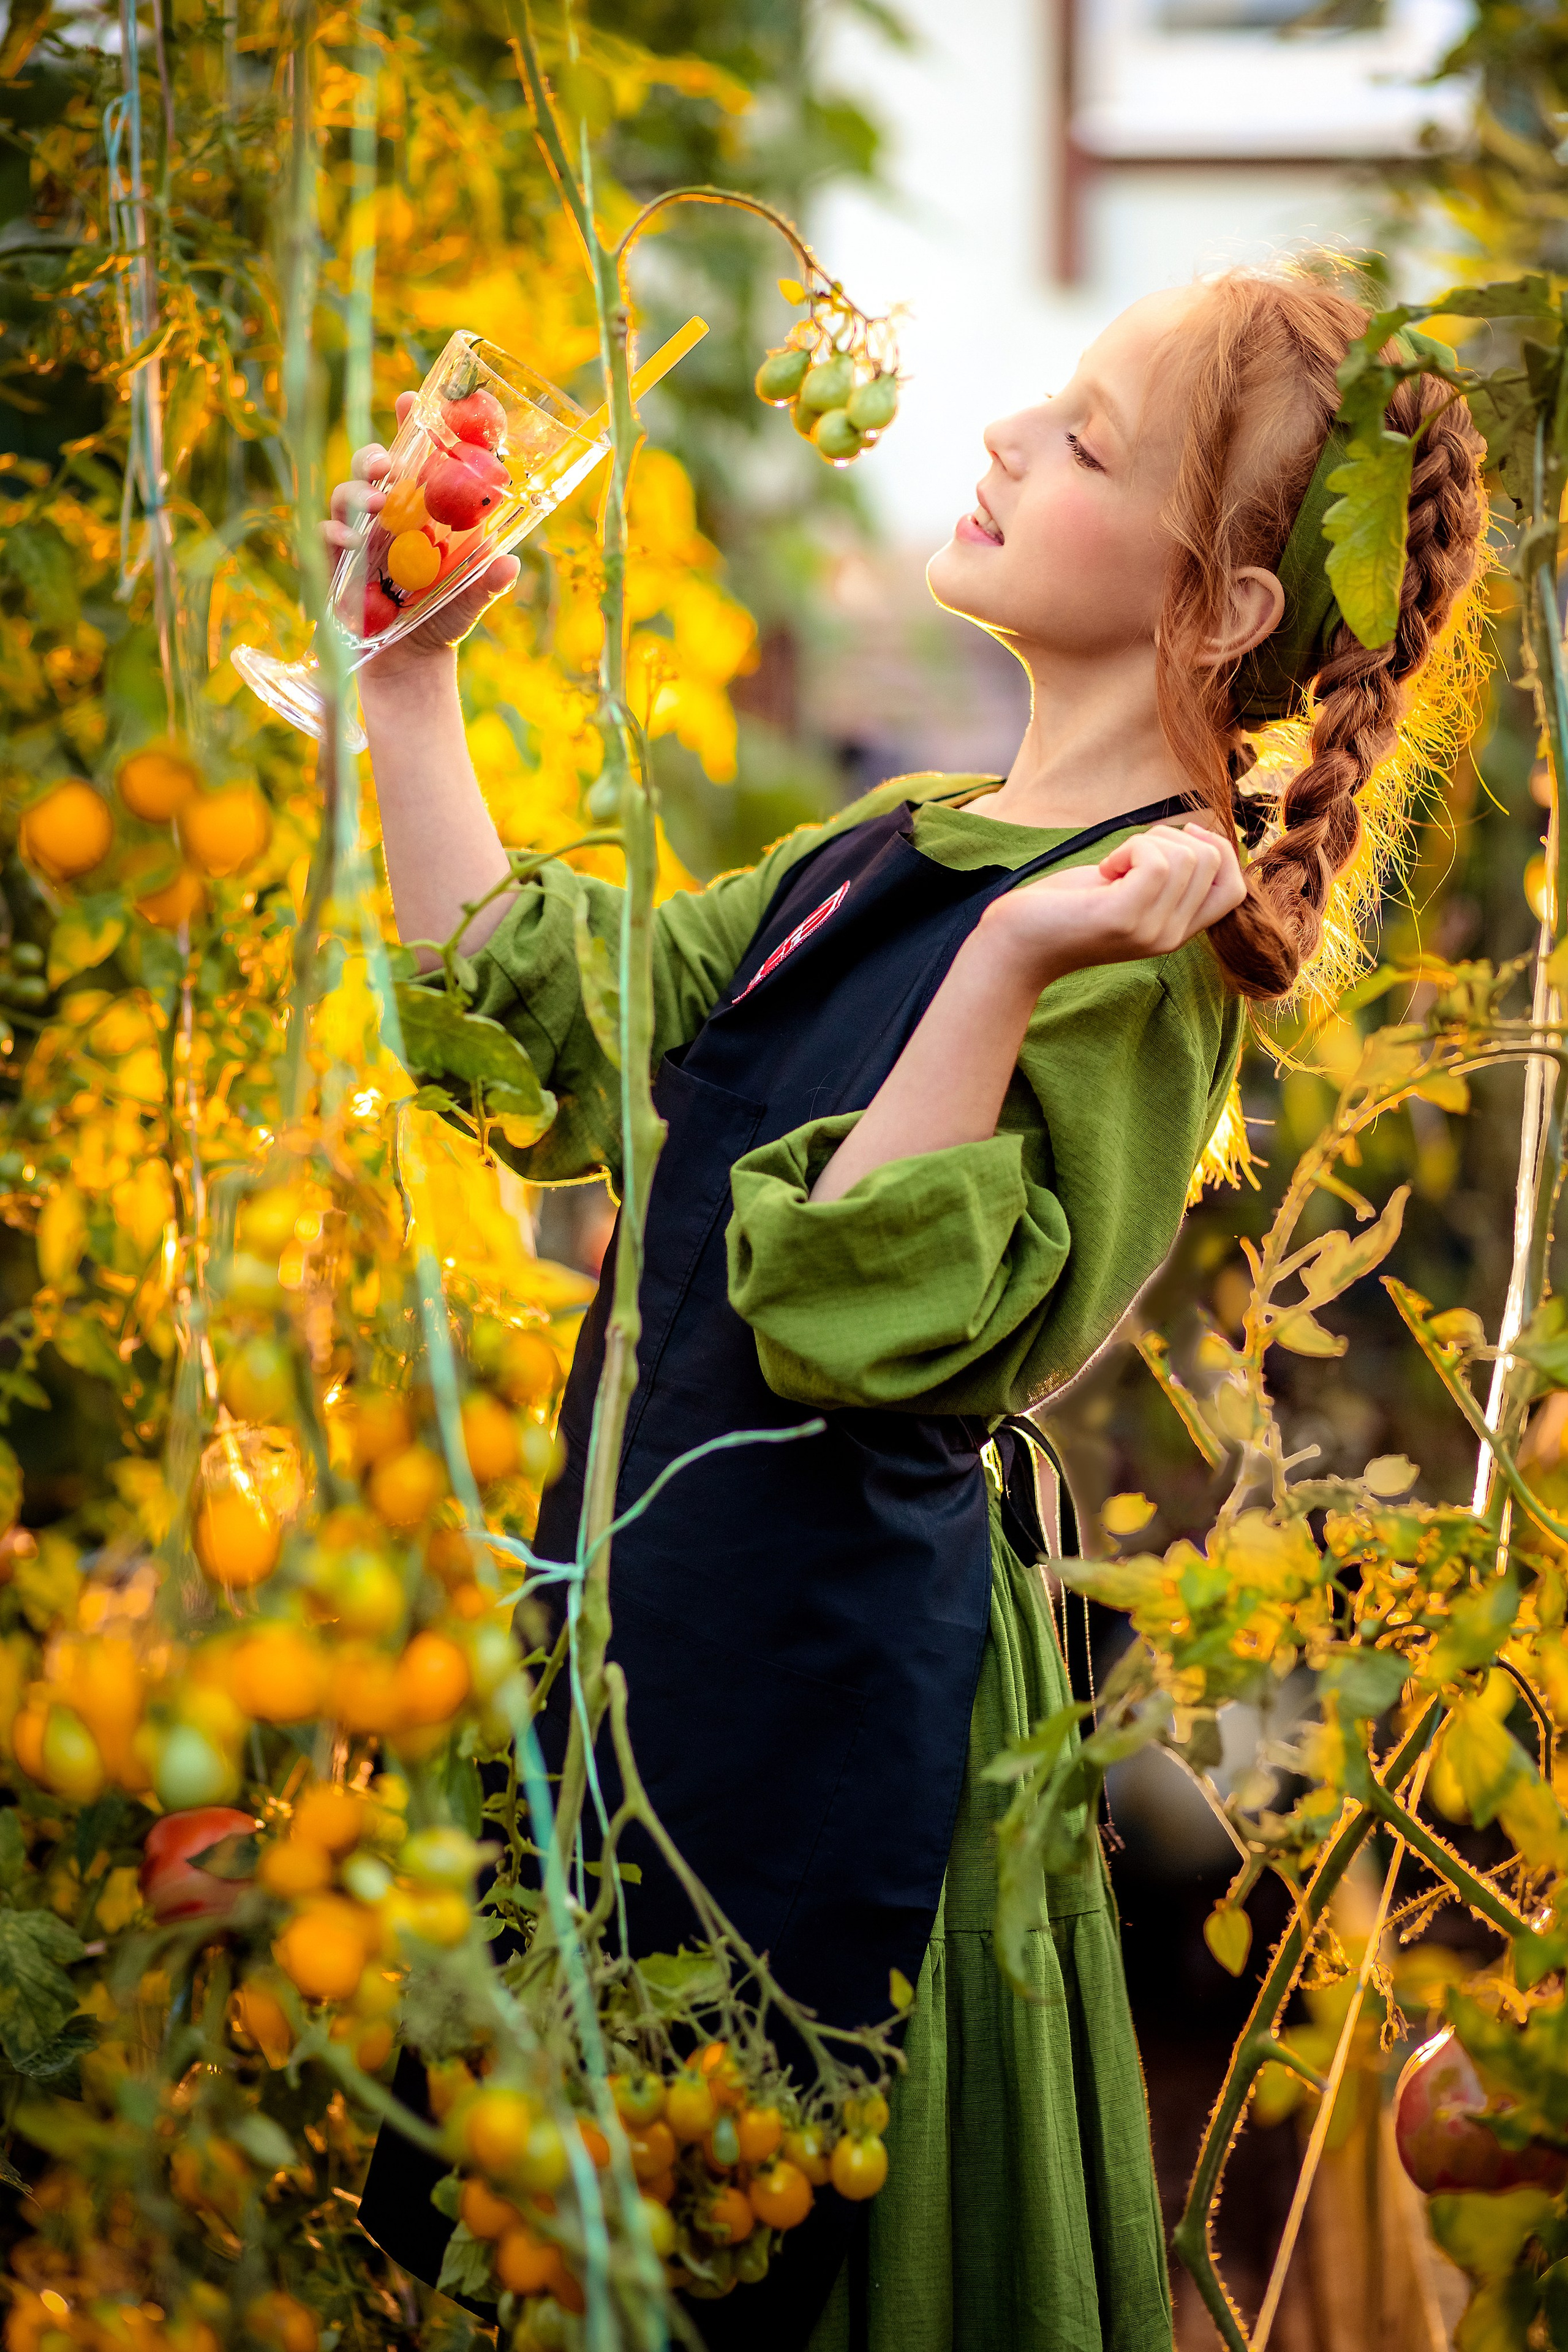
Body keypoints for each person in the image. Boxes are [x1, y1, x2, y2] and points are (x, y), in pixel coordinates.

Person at [346, 265, 1486, 2350]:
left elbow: (854, 1323)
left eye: (1082, 441)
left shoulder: (1152, 937)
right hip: (638, 1628)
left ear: (1222, 608)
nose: (1000, 440)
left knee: (747, 2228)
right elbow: (556, 1027)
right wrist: (409, 690)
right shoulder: (903, 842)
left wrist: (1010, 965)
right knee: (532, 2214)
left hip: (831, 1703)